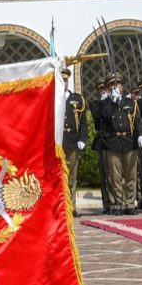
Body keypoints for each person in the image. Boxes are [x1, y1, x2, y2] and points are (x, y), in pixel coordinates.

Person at [90, 73, 141, 214]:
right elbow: (102, 117)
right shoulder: (105, 104)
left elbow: (137, 121)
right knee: (115, 176)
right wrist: (110, 101)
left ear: (122, 86)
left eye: (118, 83)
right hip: (113, 142)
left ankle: (130, 203)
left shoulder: (130, 102)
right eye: (112, 85)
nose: (115, 87)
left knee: (130, 176)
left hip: (129, 141)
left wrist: (140, 135)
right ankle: (119, 203)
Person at [60, 67, 88, 211]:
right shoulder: (53, 98)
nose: (63, 82)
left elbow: (83, 123)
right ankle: (60, 207)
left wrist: (82, 138)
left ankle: (71, 207)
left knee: (71, 176)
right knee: (58, 175)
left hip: (72, 140)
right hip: (58, 142)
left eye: (65, 80)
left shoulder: (77, 99)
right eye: (61, 79)